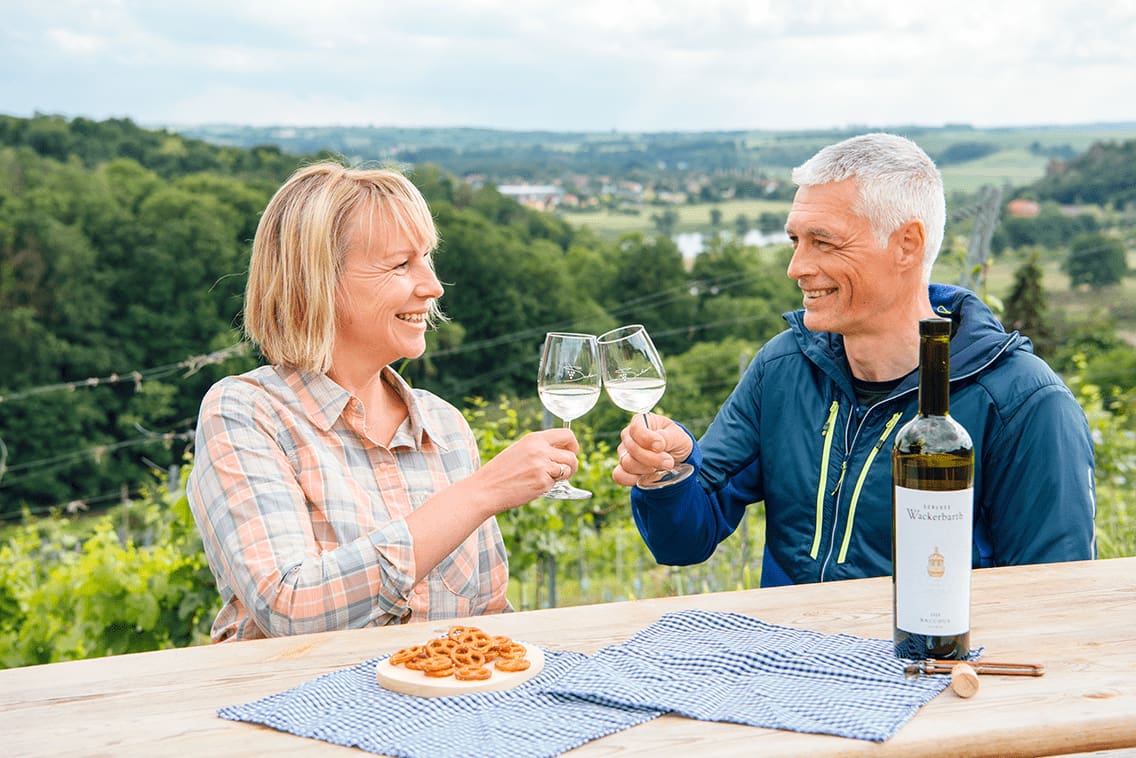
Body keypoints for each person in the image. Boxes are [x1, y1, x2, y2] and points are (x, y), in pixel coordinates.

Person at [614, 132, 1096, 587]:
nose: (797, 268)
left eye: (823, 241)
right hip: (786, 647)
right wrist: (668, 472)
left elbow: (1053, 598)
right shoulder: (782, 367)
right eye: (795, 240)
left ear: (907, 244)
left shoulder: (1023, 403)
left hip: (931, 651)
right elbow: (684, 540)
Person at [187, 161, 580, 642]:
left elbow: (487, 619)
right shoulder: (246, 413)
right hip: (304, 692)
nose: (433, 286)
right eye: (400, 264)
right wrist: (479, 494)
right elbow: (289, 609)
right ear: (318, 280)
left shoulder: (445, 426)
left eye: (427, 258)